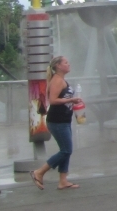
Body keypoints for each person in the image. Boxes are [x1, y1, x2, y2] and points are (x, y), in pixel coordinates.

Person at [31, 56, 82, 190]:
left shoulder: (61, 80)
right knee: (66, 150)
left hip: (64, 120)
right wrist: (71, 100)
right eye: (66, 62)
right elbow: (53, 100)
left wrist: (75, 104)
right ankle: (39, 172)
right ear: (58, 66)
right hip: (57, 121)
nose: (68, 64)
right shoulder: (57, 81)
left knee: (66, 150)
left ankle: (63, 181)